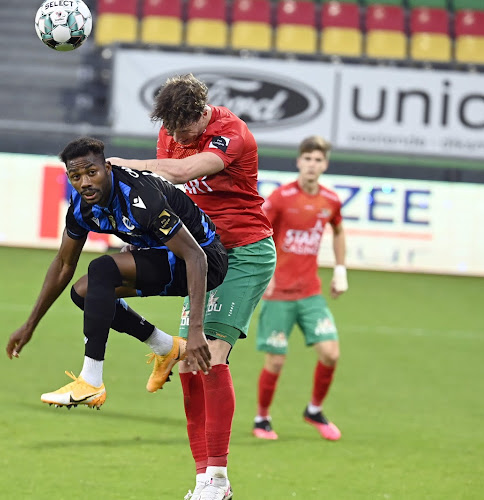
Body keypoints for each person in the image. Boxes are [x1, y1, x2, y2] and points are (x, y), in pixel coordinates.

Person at [108, 74, 276, 500]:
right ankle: (203, 479)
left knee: (212, 354)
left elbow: (182, 172)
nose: (177, 136)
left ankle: (218, 480)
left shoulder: (231, 133)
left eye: (183, 128)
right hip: (204, 255)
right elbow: (167, 189)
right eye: (171, 129)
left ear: (202, 113)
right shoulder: (170, 132)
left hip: (245, 251)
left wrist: (126, 168)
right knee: (188, 363)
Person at [5, 137, 228, 411]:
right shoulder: (82, 206)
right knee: (84, 293)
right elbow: (64, 264)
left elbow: (196, 256)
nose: (85, 182)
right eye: (76, 176)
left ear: (107, 169)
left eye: (91, 172)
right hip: (164, 255)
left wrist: (196, 331)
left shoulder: (141, 196)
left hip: (206, 260)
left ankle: (91, 380)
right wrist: (30, 325)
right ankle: (166, 346)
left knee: (101, 269)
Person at [252, 135, 348, 442]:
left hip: (310, 292)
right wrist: (263, 276)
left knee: (331, 353)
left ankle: (314, 410)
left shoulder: (330, 200)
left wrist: (341, 269)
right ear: (298, 162)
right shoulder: (280, 198)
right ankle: (262, 418)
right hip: (278, 293)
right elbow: (259, 233)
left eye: (318, 160)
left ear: (325, 164)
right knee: (276, 360)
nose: (312, 164)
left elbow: (338, 230)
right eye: (307, 158)